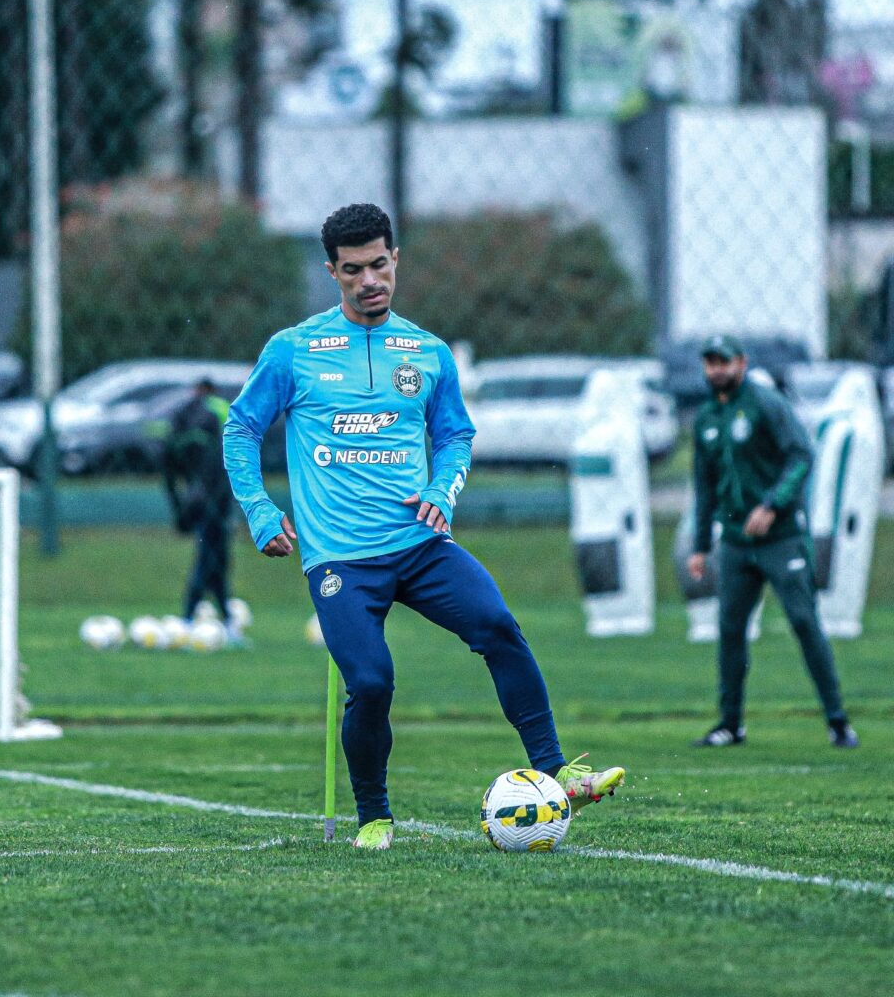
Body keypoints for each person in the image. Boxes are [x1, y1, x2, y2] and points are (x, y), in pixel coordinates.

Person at [224, 203, 625, 850]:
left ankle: (555, 773)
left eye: (379, 264)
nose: (368, 280)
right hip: (340, 561)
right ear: (332, 272)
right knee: (374, 682)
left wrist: (444, 486)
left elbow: (455, 434)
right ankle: (374, 816)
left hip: (420, 545)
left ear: (395, 259)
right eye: (352, 270)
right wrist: (261, 509)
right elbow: (240, 429)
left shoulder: (429, 352)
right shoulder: (293, 351)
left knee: (498, 626)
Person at [687, 334, 858, 749]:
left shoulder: (765, 403)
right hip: (734, 543)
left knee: (803, 621)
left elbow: (801, 454)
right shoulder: (707, 418)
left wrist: (771, 505)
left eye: (724, 362)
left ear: (741, 363)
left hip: (780, 539)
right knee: (730, 629)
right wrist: (700, 544)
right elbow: (705, 487)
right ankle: (730, 724)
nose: (717, 370)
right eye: (711, 363)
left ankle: (838, 721)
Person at [164, 378, 246, 645]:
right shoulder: (220, 409)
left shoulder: (181, 415)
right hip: (216, 498)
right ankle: (190, 618)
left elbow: (168, 464)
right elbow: (229, 455)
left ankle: (224, 619)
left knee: (215, 560)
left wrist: (179, 506)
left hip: (196, 499)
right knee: (210, 560)